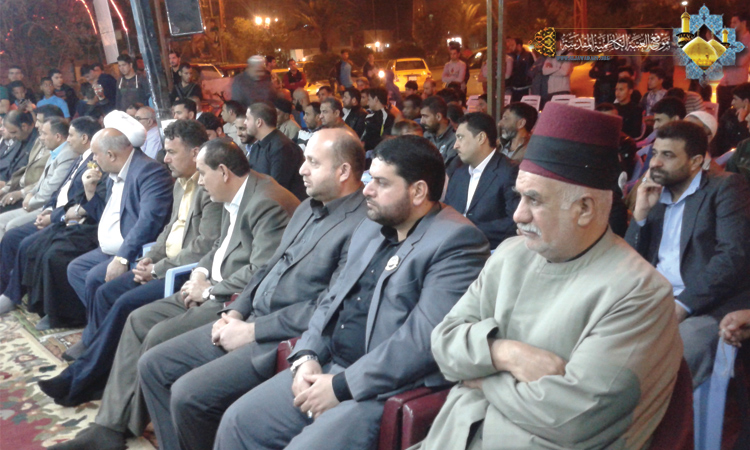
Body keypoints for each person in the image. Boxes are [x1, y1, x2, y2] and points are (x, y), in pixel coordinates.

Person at [413, 101, 682, 450]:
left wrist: (479, 376)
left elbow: (572, 419)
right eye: (519, 197)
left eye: (534, 201)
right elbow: (443, 343)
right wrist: (506, 354)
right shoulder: (509, 255)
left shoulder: (640, 293)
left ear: (584, 209)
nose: (518, 215)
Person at [212, 135, 490, 450]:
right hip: (328, 364)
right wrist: (307, 355)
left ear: (418, 191)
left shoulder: (456, 242)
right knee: (238, 422)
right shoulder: (372, 226)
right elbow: (331, 300)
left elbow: (421, 341)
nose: (367, 190)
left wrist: (342, 386)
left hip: (378, 388)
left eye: (381, 183)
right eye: (371, 178)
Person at [46, 138, 300, 450]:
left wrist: (210, 290)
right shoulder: (233, 193)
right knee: (137, 319)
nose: (200, 182)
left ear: (223, 172)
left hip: (235, 301)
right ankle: (109, 425)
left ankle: (122, 424)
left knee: (158, 334)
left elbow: (261, 271)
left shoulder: (266, 203)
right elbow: (219, 247)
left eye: (203, 173)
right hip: (208, 285)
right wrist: (199, 274)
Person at [138, 128, 370, 450]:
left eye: (313, 163)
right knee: (153, 365)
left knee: (188, 395)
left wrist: (252, 330)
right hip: (249, 316)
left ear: (343, 171)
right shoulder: (308, 207)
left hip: (280, 336)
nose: (302, 169)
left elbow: (327, 306)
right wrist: (236, 310)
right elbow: (268, 266)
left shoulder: (363, 225)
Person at [38, 120, 223, 406]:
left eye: (172, 152)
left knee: (124, 303)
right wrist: (151, 258)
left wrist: (156, 268)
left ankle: (84, 377)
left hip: (180, 273)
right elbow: (167, 230)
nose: (165, 159)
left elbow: (203, 246)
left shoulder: (208, 188)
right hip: (162, 263)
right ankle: (95, 369)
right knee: (105, 292)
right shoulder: (181, 184)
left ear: (195, 152)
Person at [626, 120, 750, 387]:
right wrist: (640, 216)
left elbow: (732, 257)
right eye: (655, 153)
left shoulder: (725, 188)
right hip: (656, 298)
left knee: (670, 355)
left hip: (707, 304)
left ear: (695, 162)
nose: (655, 163)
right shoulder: (655, 194)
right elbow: (629, 263)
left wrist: (683, 305)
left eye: (668, 155)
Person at [31, 111, 174, 330]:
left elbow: (149, 221)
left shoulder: (148, 171)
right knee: (76, 268)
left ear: (111, 154)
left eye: (96, 155)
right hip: (109, 247)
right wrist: (90, 192)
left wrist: (122, 258)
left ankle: (100, 331)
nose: (94, 160)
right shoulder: (113, 172)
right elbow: (102, 214)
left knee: (93, 277)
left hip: (134, 251)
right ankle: (102, 325)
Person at [0, 117, 102, 316]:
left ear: (84, 138)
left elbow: (77, 201)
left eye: (70, 135)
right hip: (53, 210)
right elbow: (59, 191)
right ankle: (6, 289)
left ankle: (15, 295)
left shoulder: (92, 163)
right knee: (14, 237)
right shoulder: (80, 157)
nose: (67, 139)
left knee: (25, 241)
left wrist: (53, 216)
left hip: (69, 219)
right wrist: (47, 209)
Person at [445, 113, 519, 248]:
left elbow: (515, 221)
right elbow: (446, 211)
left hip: (492, 250)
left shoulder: (509, 172)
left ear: (480, 138)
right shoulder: (458, 172)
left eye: (460, 137)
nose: (455, 145)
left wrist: (467, 231)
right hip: (453, 246)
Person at [245, 102, 307, 200]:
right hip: (262, 201)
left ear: (259, 122)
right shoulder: (256, 146)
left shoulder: (283, 147)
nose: (245, 122)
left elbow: (277, 188)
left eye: (247, 118)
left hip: (283, 206)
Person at [717, 11, 750, 118]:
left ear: (743, 23)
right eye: (731, 23)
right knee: (721, 116)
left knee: (736, 116)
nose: (731, 25)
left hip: (737, 85)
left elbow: (741, 61)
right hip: (724, 84)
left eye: (735, 22)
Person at [421, 96, 458, 176]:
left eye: (425, 116)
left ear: (438, 117)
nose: (422, 121)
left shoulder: (455, 139)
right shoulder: (427, 135)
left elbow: (448, 171)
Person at [0, 111, 38, 187]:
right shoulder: (20, 137)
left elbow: (30, 177)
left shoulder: (37, 143)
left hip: (15, 186)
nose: (12, 136)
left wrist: (6, 185)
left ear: (24, 127)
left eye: (13, 132)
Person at [361, 87, 395, 152]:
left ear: (376, 99)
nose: (367, 103)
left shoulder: (386, 116)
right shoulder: (370, 115)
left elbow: (382, 137)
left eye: (369, 100)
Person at [507, 38, 534, 102]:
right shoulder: (511, 57)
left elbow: (529, 70)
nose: (510, 48)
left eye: (512, 45)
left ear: (519, 46)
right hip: (514, 87)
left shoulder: (527, 55)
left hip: (524, 87)